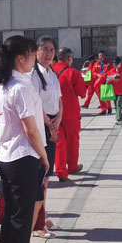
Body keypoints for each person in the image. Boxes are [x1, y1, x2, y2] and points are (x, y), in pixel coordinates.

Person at [0, 35, 49, 243]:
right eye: (32, 53)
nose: (35, 57)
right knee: (21, 220)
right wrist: (43, 155)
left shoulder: (6, 84)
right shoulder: (20, 86)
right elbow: (30, 128)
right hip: (23, 156)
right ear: (21, 57)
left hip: (9, 157)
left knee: (13, 220)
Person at [31, 36, 62, 239]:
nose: (49, 54)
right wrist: (48, 124)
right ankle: (37, 224)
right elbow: (35, 103)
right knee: (40, 177)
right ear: (36, 51)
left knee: (47, 176)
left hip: (52, 124)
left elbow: (60, 100)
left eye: (51, 50)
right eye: (44, 49)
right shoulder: (34, 74)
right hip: (40, 126)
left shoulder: (53, 74)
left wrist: (58, 120)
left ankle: (43, 213)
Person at [52, 47, 85, 182]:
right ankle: (72, 166)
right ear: (69, 58)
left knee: (58, 142)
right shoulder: (73, 73)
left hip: (53, 113)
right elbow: (82, 93)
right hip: (70, 113)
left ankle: (60, 171)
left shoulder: (50, 71)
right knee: (72, 141)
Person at [106, 57, 122, 125]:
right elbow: (107, 80)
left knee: (118, 104)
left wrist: (120, 79)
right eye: (114, 64)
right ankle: (119, 118)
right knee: (115, 104)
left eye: (116, 64)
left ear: (120, 63)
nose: (115, 66)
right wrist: (109, 80)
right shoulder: (111, 71)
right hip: (114, 90)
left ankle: (119, 119)